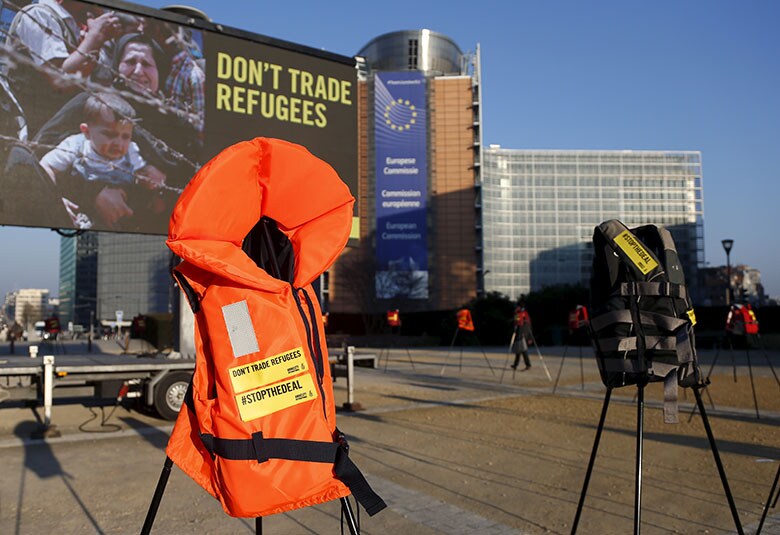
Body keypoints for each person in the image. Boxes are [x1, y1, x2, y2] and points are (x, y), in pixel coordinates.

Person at [39, 92, 165, 229]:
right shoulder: (75, 146)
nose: (119, 143)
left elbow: (143, 174)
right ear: (86, 132)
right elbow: (45, 167)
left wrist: (149, 183)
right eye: (110, 135)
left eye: (125, 136)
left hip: (120, 216)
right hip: (83, 212)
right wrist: (55, 199)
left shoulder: (131, 151)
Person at [2, 0, 123, 135]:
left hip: (60, 128)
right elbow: (61, 80)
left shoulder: (74, 25)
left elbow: (87, 81)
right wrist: (95, 36)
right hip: (29, 127)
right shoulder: (40, 14)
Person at [511, 298, 532, 371]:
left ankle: (527, 364)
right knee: (519, 349)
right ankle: (516, 364)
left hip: (522, 333)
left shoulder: (523, 314)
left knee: (523, 349)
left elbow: (525, 324)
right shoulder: (518, 313)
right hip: (519, 333)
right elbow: (515, 322)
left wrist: (529, 337)